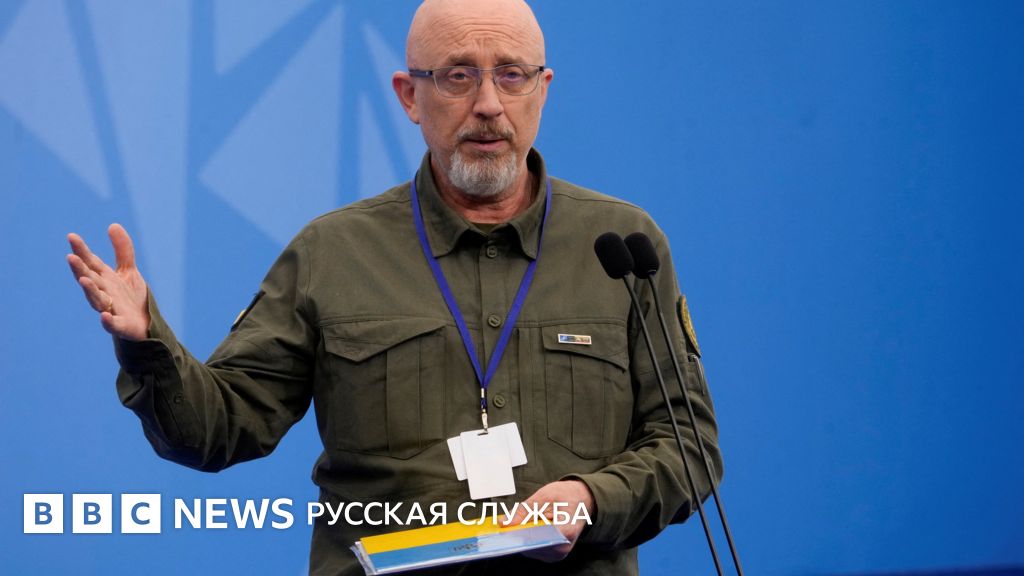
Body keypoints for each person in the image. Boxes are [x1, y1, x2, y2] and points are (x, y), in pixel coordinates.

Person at [66, 0, 722, 574]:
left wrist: (590, 498)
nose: (489, 103)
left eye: (511, 74)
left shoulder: (622, 247)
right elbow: (215, 429)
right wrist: (146, 341)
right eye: (458, 75)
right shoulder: (332, 253)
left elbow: (688, 447)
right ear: (409, 96)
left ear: (542, 90)